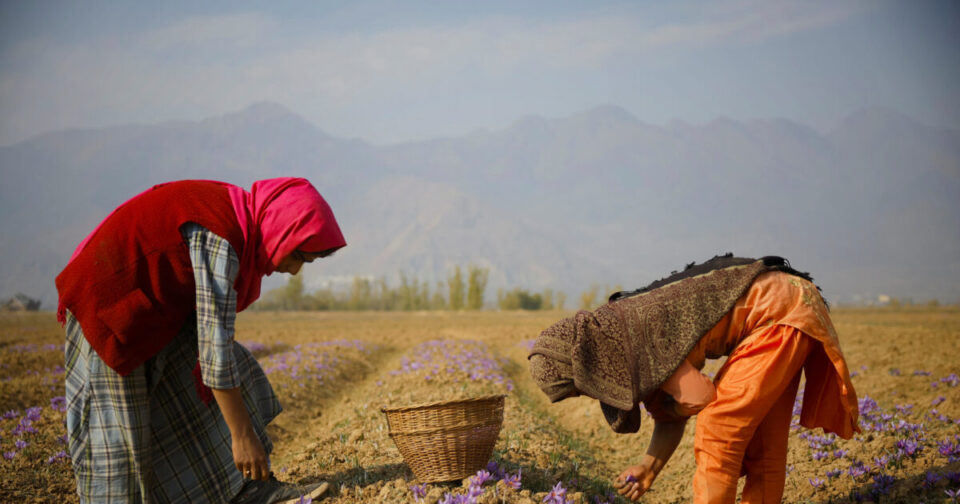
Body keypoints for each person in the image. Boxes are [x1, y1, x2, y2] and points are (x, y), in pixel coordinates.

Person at [55, 178, 345, 504]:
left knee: (214, 383)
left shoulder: (237, 217)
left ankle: (245, 490)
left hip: (151, 308)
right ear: (283, 229)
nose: (294, 271)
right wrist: (242, 435)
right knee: (121, 443)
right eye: (299, 257)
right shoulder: (222, 236)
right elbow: (214, 350)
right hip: (110, 309)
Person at [528, 254, 860, 504]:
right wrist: (649, 467)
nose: (588, 393)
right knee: (763, 445)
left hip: (775, 311)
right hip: (791, 303)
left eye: (577, 388)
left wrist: (674, 405)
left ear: (582, 365)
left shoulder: (632, 338)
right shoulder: (617, 339)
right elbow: (669, 407)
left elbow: (698, 397)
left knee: (718, 428)